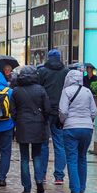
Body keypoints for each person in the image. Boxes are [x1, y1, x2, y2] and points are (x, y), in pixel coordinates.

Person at [11, 65, 53, 193]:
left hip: (23, 125)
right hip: (37, 124)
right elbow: (47, 109)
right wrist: (43, 119)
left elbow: (12, 110)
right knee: (37, 155)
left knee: (24, 157)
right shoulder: (40, 89)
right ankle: (39, 181)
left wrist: (18, 120)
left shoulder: (16, 91)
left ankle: (27, 188)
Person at [58, 69, 97, 193]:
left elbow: (63, 111)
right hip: (87, 128)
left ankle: (75, 189)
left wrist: (64, 122)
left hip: (71, 128)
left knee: (72, 159)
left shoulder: (66, 91)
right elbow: (93, 112)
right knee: (82, 157)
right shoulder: (87, 91)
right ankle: (82, 188)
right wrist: (87, 121)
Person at [37, 49, 70, 185]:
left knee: (44, 144)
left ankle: (42, 174)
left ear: (48, 58)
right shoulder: (66, 72)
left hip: (45, 112)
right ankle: (59, 176)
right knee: (60, 144)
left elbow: (38, 89)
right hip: (60, 112)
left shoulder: (43, 71)